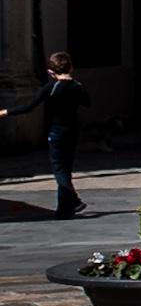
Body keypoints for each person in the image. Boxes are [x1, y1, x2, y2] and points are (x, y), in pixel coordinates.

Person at [8, 53, 87, 216]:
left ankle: (74, 200)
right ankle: (64, 209)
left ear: (51, 72)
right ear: (70, 68)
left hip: (57, 131)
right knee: (66, 168)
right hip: (72, 130)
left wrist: (5, 112)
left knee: (59, 169)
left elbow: (29, 107)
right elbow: (87, 102)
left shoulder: (51, 88)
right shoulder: (78, 86)